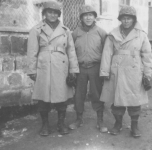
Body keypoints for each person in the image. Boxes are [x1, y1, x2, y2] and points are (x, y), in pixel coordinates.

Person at [100, 5, 152, 138]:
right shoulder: (113, 34)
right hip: (116, 71)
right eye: (123, 18)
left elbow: (147, 55)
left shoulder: (141, 35)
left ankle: (134, 127)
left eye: (129, 18)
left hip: (134, 72)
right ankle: (118, 124)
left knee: (134, 100)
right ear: (120, 19)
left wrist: (147, 74)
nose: (126, 21)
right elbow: (107, 53)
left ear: (133, 19)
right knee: (117, 101)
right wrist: (104, 72)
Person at [27, 1, 79, 136]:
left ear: (59, 15)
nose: (52, 15)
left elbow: (71, 51)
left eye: (55, 13)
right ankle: (45, 125)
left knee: (62, 97)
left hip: (61, 67)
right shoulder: (36, 30)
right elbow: (32, 51)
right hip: (44, 67)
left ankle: (61, 124)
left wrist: (73, 69)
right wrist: (32, 70)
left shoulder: (66, 30)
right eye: (50, 12)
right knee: (43, 97)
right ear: (44, 13)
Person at [69, 5, 108, 133]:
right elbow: (71, 51)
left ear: (94, 17)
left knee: (96, 93)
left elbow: (106, 52)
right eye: (85, 15)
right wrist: (73, 69)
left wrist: (104, 70)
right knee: (79, 94)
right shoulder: (75, 33)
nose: (88, 17)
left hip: (95, 67)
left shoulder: (101, 32)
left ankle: (100, 120)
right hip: (80, 68)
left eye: (91, 15)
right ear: (81, 18)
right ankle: (79, 119)